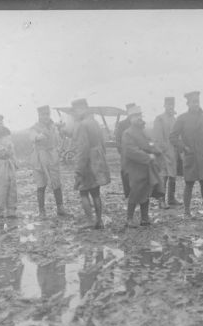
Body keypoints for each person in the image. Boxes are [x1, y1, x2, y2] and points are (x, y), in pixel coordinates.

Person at [170, 91, 203, 217]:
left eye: (197, 101)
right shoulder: (182, 118)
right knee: (189, 184)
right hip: (190, 156)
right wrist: (183, 147)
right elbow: (173, 137)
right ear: (188, 103)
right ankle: (186, 211)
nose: (196, 104)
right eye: (193, 102)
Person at [121, 104, 165, 227]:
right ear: (130, 118)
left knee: (146, 191)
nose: (139, 118)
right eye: (135, 116)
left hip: (147, 167)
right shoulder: (127, 133)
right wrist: (147, 157)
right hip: (134, 168)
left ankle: (144, 218)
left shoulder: (144, 131)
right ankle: (129, 218)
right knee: (135, 192)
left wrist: (157, 151)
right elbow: (130, 150)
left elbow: (151, 143)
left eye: (140, 115)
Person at [73, 98, 111, 229]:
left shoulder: (82, 125)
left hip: (87, 161)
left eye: (77, 109)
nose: (76, 112)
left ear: (83, 109)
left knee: (83, 191)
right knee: (95, 192)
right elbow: (102, 143)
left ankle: (90, 220)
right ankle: (99, 221)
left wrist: (78, 170)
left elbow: (82, 149)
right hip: (97, 159)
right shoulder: (94, 122)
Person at [29, 105, 68, 217]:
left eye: (47, 114)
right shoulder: (34, 128)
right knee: (41, 185)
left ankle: (60, 208)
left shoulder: (54, 126)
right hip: (40, 158)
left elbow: (58, 139)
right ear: (39, 115)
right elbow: (34, 137)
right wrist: (40, 135)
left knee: (56, 183)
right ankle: (42, 211)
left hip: (52, 156)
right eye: (43, 114)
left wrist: (61, 132)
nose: (46, 116)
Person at [152, 96, 181, 207]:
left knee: (173, 175)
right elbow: (157, 137)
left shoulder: (175, 119)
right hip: (163, 152)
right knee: (163, 175)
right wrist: (161, 150)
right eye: (168, 105)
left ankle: (171, 198)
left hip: (173, 151)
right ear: (165, 106)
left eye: (172, 105)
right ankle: (161, 200)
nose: (171, 107)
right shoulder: (159, 118)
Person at [114, 104, 133, 199]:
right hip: (125, 153)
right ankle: (128, 193)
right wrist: (121, 151)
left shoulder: (139, 123)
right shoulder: (122, 124)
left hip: (136, 152)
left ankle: (136, 193)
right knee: (125, 173)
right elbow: (117, 139)